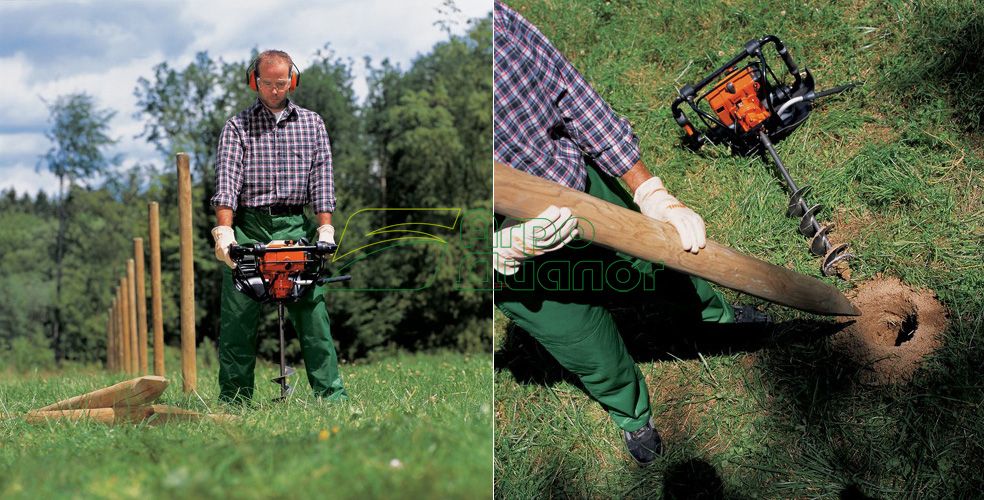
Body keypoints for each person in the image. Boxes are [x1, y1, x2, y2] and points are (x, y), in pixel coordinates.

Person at [492, 1, 766, 466]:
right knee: (581, 339)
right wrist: (496, 250)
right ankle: (631, 412)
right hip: (502, 251)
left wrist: (651, 191)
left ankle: (714, 314)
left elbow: (570, 96)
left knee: (660, 262)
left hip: (575, 187)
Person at [210, 49, 347, 403]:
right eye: (267, 83)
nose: (274, 90)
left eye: (281, 83)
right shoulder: (237, 127)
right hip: (249, 227)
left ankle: (331, 397)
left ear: (293, 80)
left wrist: (325, 228)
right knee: (238, 321)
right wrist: (225, 233)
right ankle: (235, 401)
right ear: (254, 81)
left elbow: (323, 180)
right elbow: (227, 185)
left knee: (313, 314)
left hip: (295, 226)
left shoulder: (312, 124)